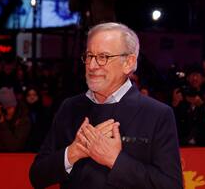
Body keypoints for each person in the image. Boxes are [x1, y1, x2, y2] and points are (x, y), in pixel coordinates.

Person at [29, 22, 183, 189]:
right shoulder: (70, 107)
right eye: (89, 56)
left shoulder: (157, 114)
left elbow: (171, 185)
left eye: (103, 57)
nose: (92, 66)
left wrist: (115, 160)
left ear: (129, 63)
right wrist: (73, 153)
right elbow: (37, 176)